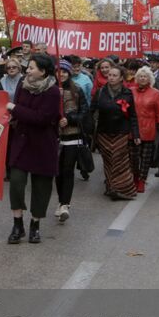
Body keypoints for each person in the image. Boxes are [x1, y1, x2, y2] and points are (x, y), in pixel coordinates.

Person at [4, 53, 63, 244]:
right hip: (21, 142)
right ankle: (17, 223)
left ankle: (35, 225)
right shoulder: (23, 84)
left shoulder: (53, 92)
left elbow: (42, 118)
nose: (27, 71)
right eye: (27, 67)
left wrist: (14, 109)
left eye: (31, 68)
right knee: (16, 184)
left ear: (43, 71)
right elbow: (20, 111)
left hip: (43, 145)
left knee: (41, 187)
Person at [91, 63, 140, 200]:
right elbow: (92, 110)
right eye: (109, 75)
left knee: (119, 160)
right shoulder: (101, 92)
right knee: (108, 161)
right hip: (104, 132)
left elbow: (133, 116)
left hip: (121, 132)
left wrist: (136, 134)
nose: (111, 77)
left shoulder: (127, 93)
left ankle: (122, 189)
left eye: (114, 75)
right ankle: (111, 187)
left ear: (121, 78)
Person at [55, 62, 90, 222]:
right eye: (58, 71)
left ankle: (65, 204)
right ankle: (60, 199)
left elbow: (84, 112)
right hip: (55, 137)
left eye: (64, 71)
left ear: (69, 73)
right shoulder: (50, 89)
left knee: (68, 170)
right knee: (58, 171)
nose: (61, 74)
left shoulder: (77, 90)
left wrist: (69, 119)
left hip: (73, 136)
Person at [131, 67, 159, 195]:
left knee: (145, 158)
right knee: (134, 157)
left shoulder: (155, 93)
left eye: (145, 76)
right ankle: (134, 178)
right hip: (133, 129)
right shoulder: (131, 91)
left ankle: (142, 180)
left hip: (148, 129)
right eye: (140, 76)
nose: (142, 78)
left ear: (149, 79)